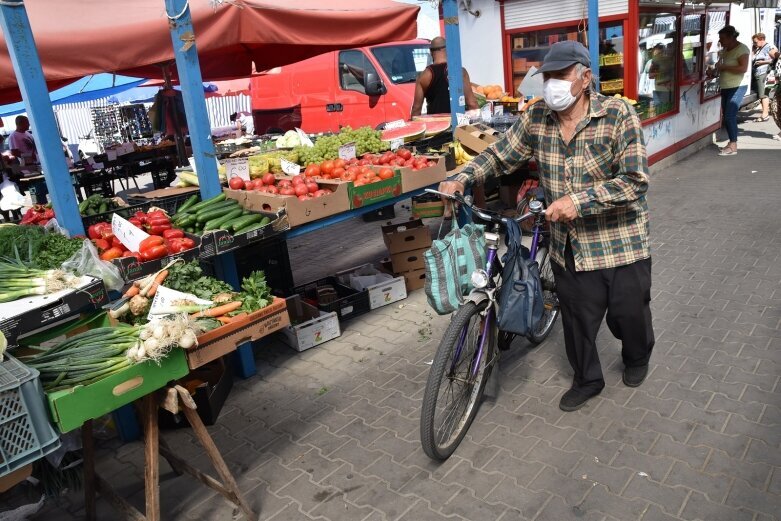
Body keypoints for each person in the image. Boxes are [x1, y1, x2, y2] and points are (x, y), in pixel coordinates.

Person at [438, 41, 654, 412]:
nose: (551, 84)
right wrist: (463, 175)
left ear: (585, 78)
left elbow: (635, 181)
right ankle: (587, 379)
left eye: (560, 75)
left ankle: (637, 356)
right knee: (577, 321)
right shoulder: (537, 117)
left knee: (628, 315)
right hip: (569, 245)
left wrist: (578, 201)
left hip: (620, 242)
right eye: (547, 77)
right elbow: (500, 154)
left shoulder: (618, 113)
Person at [410, 37, 478, 117]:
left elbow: (416, 109)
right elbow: (472, 104)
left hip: (435, 126)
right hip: (459, 124)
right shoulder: (460, 71)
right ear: (447, 49)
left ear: (431, 52)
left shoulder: (424, 75)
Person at [715, 25, 750, 156]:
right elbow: (721, 66)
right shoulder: (725, 50)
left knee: (729, 115)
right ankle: (731, 143)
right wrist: (714, 71)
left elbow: (743, 68)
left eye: (722, 38)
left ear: (731, 37)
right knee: (726, 115)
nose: (720, 41)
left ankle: (733, 145)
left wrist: (724, 67)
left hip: (738, 86)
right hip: (726, 86)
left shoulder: (742, 49)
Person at [750, 33, 779, 123]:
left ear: (761, 39)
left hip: (763, 73)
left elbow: (776, 57)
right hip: (759, 73)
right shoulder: (759, 48)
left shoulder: (769, 47)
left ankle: (765, 114)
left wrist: (763, 62)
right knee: (761, 94)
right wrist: (754, 49)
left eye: (755, 42)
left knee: (763, 94)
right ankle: (765, 113)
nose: (754, 44)